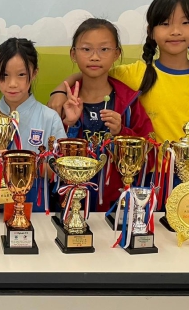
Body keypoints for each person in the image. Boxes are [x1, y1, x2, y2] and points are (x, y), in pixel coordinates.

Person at [49, 0, 189, 149]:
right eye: (165, 24)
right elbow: (93, 70)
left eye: (186, 23)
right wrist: (59, 91)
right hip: (146, 171)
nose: (176, 31)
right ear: (151, 31)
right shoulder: (134, 74)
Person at [59, 18, 154, 211]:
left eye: (104, 49)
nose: (95, 57)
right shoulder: (63, 103)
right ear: (73, 54)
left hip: (117, 206)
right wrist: (70, 124)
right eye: (86, 49)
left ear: (116, 54)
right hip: (71, 204)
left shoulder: (129, 103)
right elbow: (51, 160)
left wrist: (122, 133)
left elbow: (150, 155)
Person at [0, 37, 66, 212]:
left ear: (34, 73)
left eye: (21, 75)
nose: (12, 84)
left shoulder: (49, 118)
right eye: (4, 75)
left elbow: (60, 170)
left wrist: (24, 170)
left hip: (35, 200)